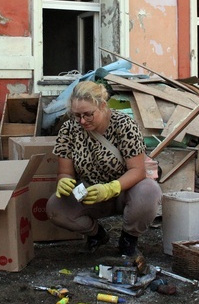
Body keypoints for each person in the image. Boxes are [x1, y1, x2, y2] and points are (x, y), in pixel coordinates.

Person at [46, 81, 161, 257]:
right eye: (77, 115)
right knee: (55, 208)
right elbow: (65, 172)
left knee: (149, 191)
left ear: (102, 106)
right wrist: (63, 180)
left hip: (124, 191)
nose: (82, 121)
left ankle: (128, 239)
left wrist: (110, 188)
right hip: (90, 192)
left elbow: (137, 171)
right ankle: (96, 234)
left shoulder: (124, 125)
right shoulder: (69, 129)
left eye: (88, 114)